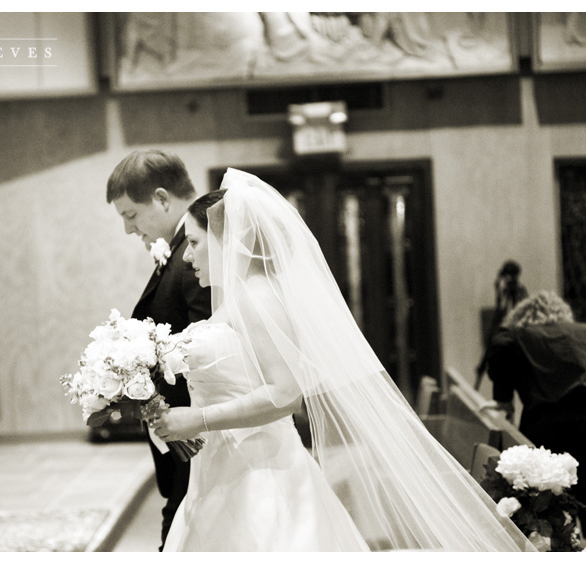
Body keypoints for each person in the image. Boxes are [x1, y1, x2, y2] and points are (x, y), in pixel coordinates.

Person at [150, 168, 535, 551]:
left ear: (227, 240)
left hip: (258, 473)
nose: (187, 257)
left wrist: (197, 419)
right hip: (225, 465)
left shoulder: (256, 297)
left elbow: (286, 395)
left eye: (196, 243)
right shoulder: (240, 297)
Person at [105, 150, 212, 550]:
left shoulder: (196, 254)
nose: (129, 230)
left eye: (131, 215)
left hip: (198, 438)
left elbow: (208, 350)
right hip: (182, 436)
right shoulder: (180, 246)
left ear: (163, 199)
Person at [485, 290, 586, 547]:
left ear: (521, 317)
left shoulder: (515, 334)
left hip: (548, 434)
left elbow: (499, 346)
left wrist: (503, 399)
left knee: (553, 523)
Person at [475, 259, 528, 388]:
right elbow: (500, 310)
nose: (510, 280)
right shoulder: (505, 292)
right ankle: (479, 375)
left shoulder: (521, 291)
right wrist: (498, 290)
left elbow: (523, 308)